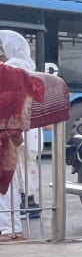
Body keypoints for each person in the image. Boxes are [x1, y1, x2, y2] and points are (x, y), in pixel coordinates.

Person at [0, 31, 40, 242]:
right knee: (9, 181)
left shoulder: (12, 68)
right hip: (13, 132)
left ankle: (8, 230)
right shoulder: (25, 66)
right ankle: (12, 229)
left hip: (5, 131)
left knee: (5, 182)